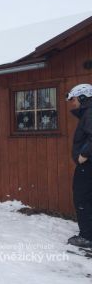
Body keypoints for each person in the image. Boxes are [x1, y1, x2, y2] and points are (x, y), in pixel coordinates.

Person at [66, 83, 92, 248]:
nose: (72, 103)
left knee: (82, 198)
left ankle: (87, 237)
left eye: (74, 99)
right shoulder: (88, 113)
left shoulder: (90, 113)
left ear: (83, 97)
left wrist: (84, 155)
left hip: (88, 165)